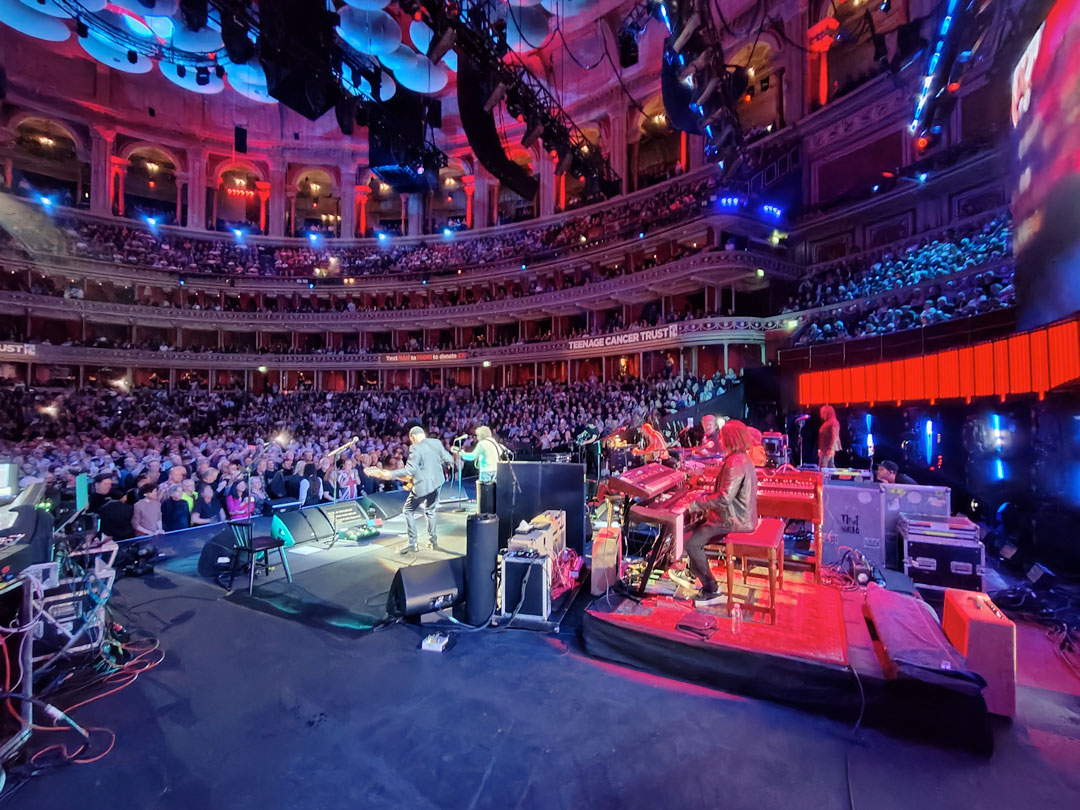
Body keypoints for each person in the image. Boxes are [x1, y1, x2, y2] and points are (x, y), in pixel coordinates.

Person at [683, 420, 759, 605]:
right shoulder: (741, 458)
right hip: (735, 517)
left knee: (691, 543)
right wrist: (703, 497)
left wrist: (694, 504)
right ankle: (693, 573)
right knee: (685, 532)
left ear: (730, 438)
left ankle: (712, 589)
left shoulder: (735, 462)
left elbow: (724, 498)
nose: (721, 440)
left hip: (733, 521)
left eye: (723, 437)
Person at [373, 426, 454, 554]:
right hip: (437, 483)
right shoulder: (436, 442)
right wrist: (436, 468)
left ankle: (412, 544)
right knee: (430, 510)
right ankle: (433, 541)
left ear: (413, 437)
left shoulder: (415, 448)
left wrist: (391, 474)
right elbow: (449, 459)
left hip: (422, 486)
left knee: (408, 510)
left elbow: (410, 470)